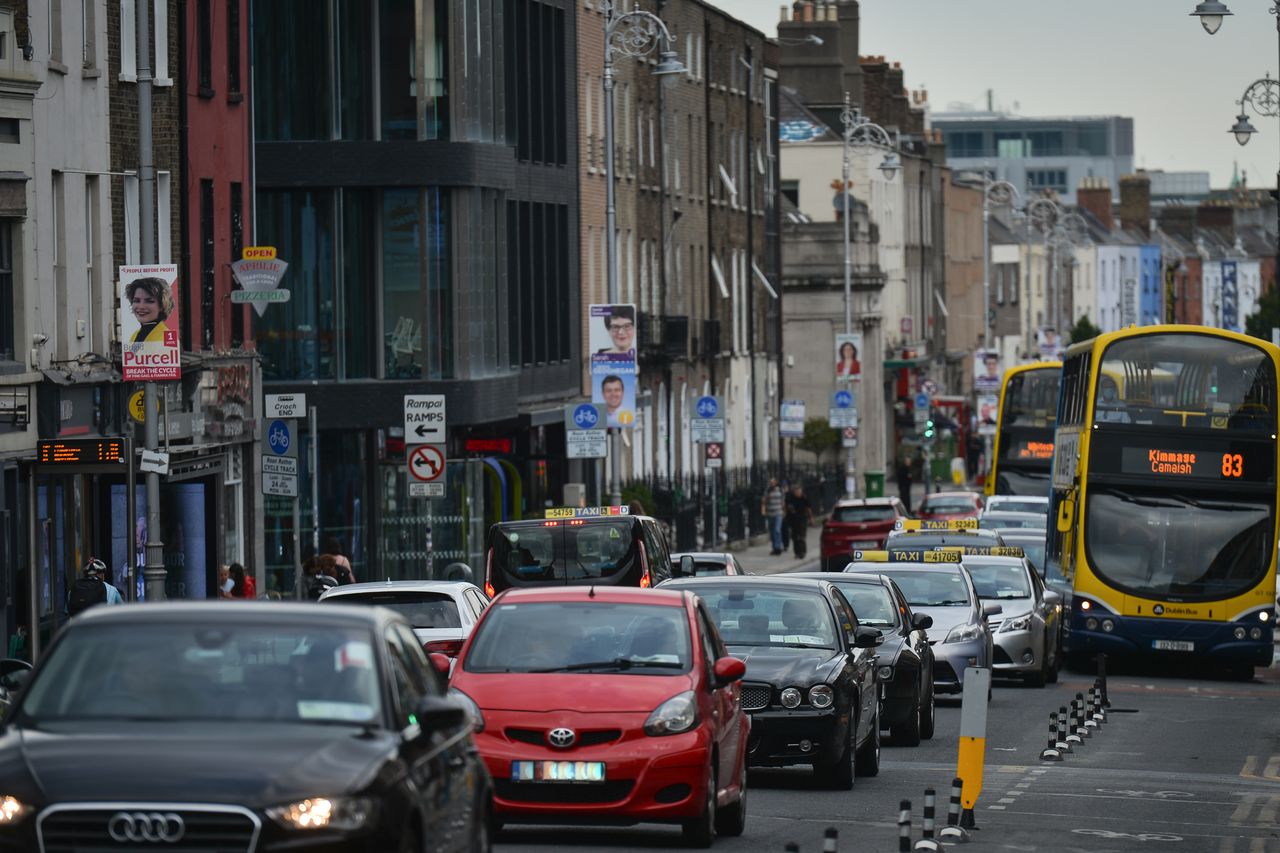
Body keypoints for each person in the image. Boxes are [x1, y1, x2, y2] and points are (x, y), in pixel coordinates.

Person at [125, 277, 175, 344]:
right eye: (136, 300)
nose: (141, 306)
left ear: (162, 305)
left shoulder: (166, 337)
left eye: (149, 301)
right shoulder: (134, 335)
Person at [784, 484, 814, 559]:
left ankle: (802, 552)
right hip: (793, 520)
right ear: (794, 492)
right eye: (797, 492)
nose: (798, 493)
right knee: (794, 537)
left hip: (802, 519)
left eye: (799, 492)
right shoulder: (790, 498)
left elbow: (808, 508)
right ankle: (797, 552)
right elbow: (786, 506)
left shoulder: (804, 498)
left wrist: (811, 518)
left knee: (801, 536)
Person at [761, 478, 785, 556]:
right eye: (771, 483)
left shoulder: (780, 490)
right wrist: (768, 497)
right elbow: (764, 501)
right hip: (770, 514)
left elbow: (783, 501)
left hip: (778, 513)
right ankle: (774, 548)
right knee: (772, 532)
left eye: (773, 482)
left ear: (776, 483)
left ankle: (778, 547)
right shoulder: (767, 491)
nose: (772, 484)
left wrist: (784, 511)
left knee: (777, 530)